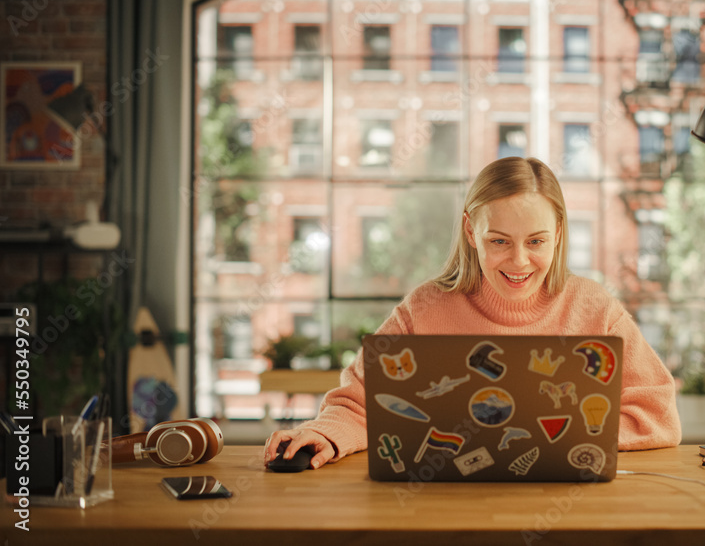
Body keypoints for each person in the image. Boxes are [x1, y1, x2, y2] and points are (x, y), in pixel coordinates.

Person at [264, 156, 682, 469]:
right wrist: (322, 434)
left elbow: (656, 412)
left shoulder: (596, 309)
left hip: (569, 507)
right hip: (441, 507)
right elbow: (360, 404)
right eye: (499, 241)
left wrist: (556, 442)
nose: (519, 261)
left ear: (558, 234)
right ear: (470, 231)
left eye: (536, 241)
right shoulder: (424, 309)